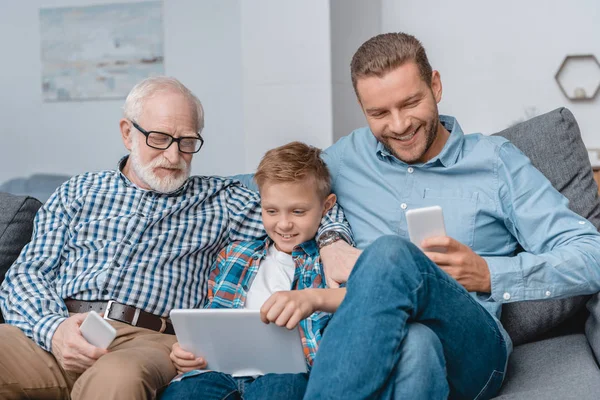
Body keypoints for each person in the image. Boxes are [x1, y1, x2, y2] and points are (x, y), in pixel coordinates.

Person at [237, 32, 600, 399]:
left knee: (391, 254)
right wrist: (331, 239)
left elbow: (591, 254)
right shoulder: (345, 160)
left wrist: (489, 273)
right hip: (385, 348)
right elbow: (271, 198)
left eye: (410, 103)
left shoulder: (494, 163)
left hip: (472, 348)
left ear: (436, 86)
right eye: (379, 113)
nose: (398, 125)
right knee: (416, 343)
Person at [0, 77, 352, 400]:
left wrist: (333, 242)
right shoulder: (79, 191)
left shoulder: (223, 201)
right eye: (159, 139)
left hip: (147, 340)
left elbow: (305, 206)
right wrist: (54, 329)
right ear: (128, 133)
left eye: (186, 142)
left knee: (118, 379)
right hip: (57, 325)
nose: (173, 156)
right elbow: (26, 274)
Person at [160, 142, 347, 399]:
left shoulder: (330, 263)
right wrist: (186, 352)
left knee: (283, 390)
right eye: (271, 211)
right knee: (184, 393)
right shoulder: (234, 255)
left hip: (287, 373)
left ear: (326, 207)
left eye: (298, 211)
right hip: (218, 371)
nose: (283, 223)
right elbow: (207, 320)